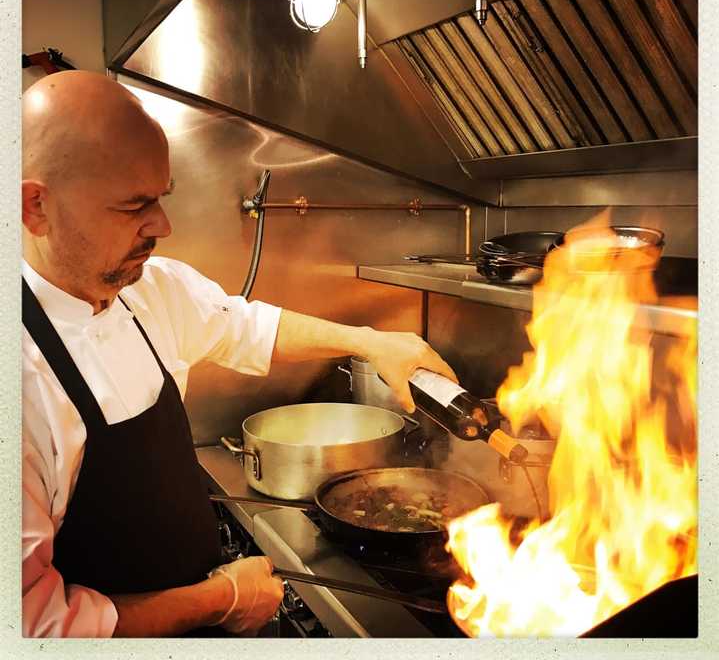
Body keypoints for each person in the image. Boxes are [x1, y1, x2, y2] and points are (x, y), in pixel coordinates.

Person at [21, 71, 458, 638]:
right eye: (135, 206)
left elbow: (248, 328)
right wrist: (222, 599)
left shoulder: (149, 289)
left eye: (162, 197)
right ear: (36, 208)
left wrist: (371, 342)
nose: (164, 226)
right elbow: (36, 627)